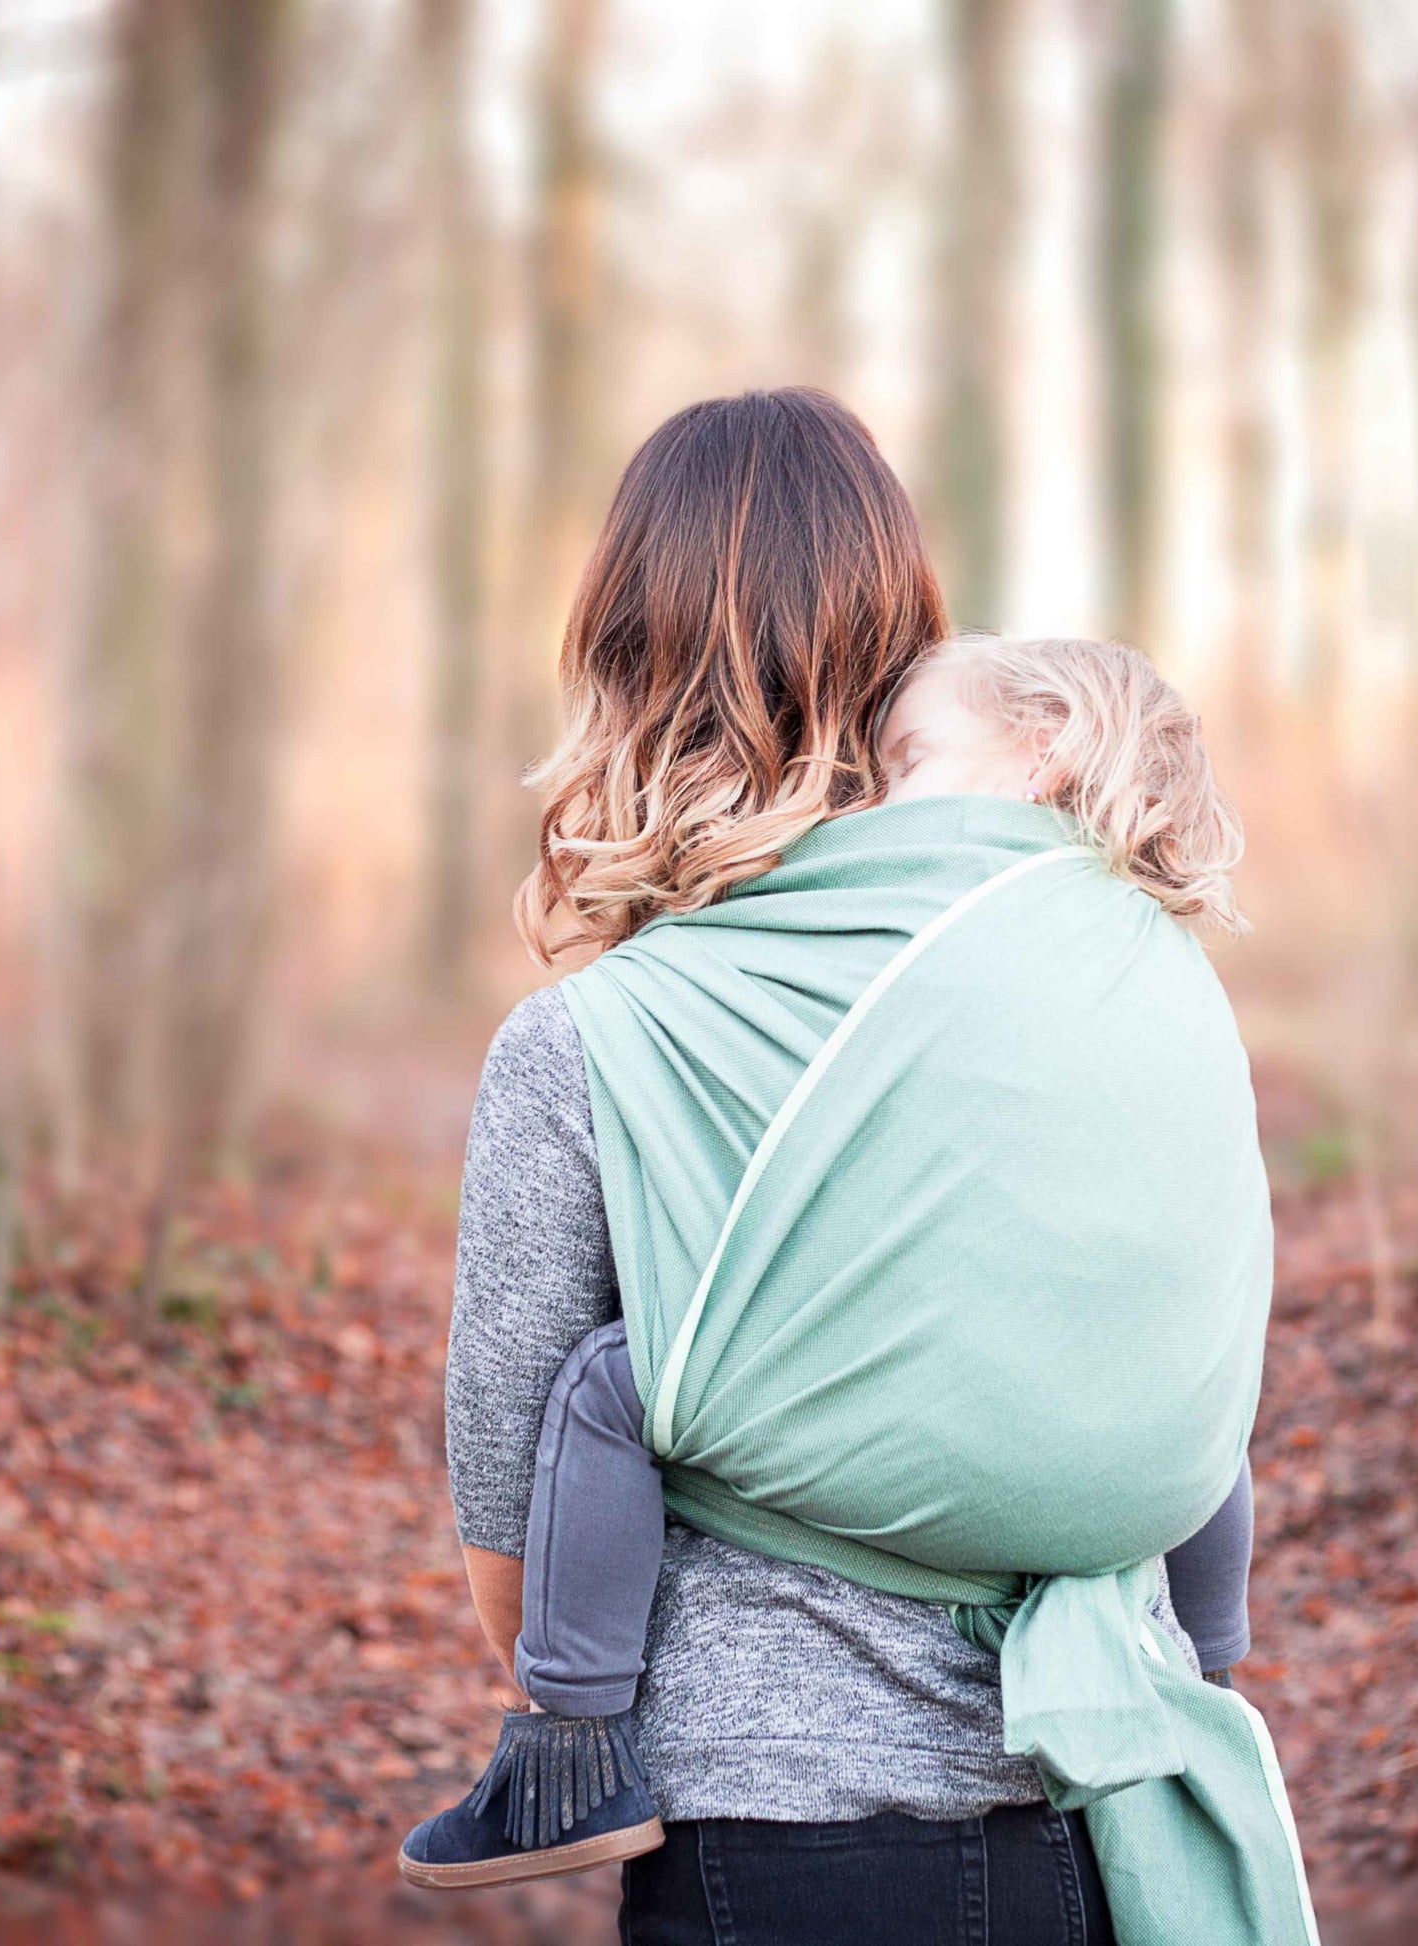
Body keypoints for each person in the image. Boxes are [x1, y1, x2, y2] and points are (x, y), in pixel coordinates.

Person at [401, 391, 1306, 1945]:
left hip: (777, 1840)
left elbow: (513, 1553)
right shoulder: (1111, 967)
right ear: (908, 636)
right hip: (1107, 1804)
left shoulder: (594, 1046)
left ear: (622, 666)